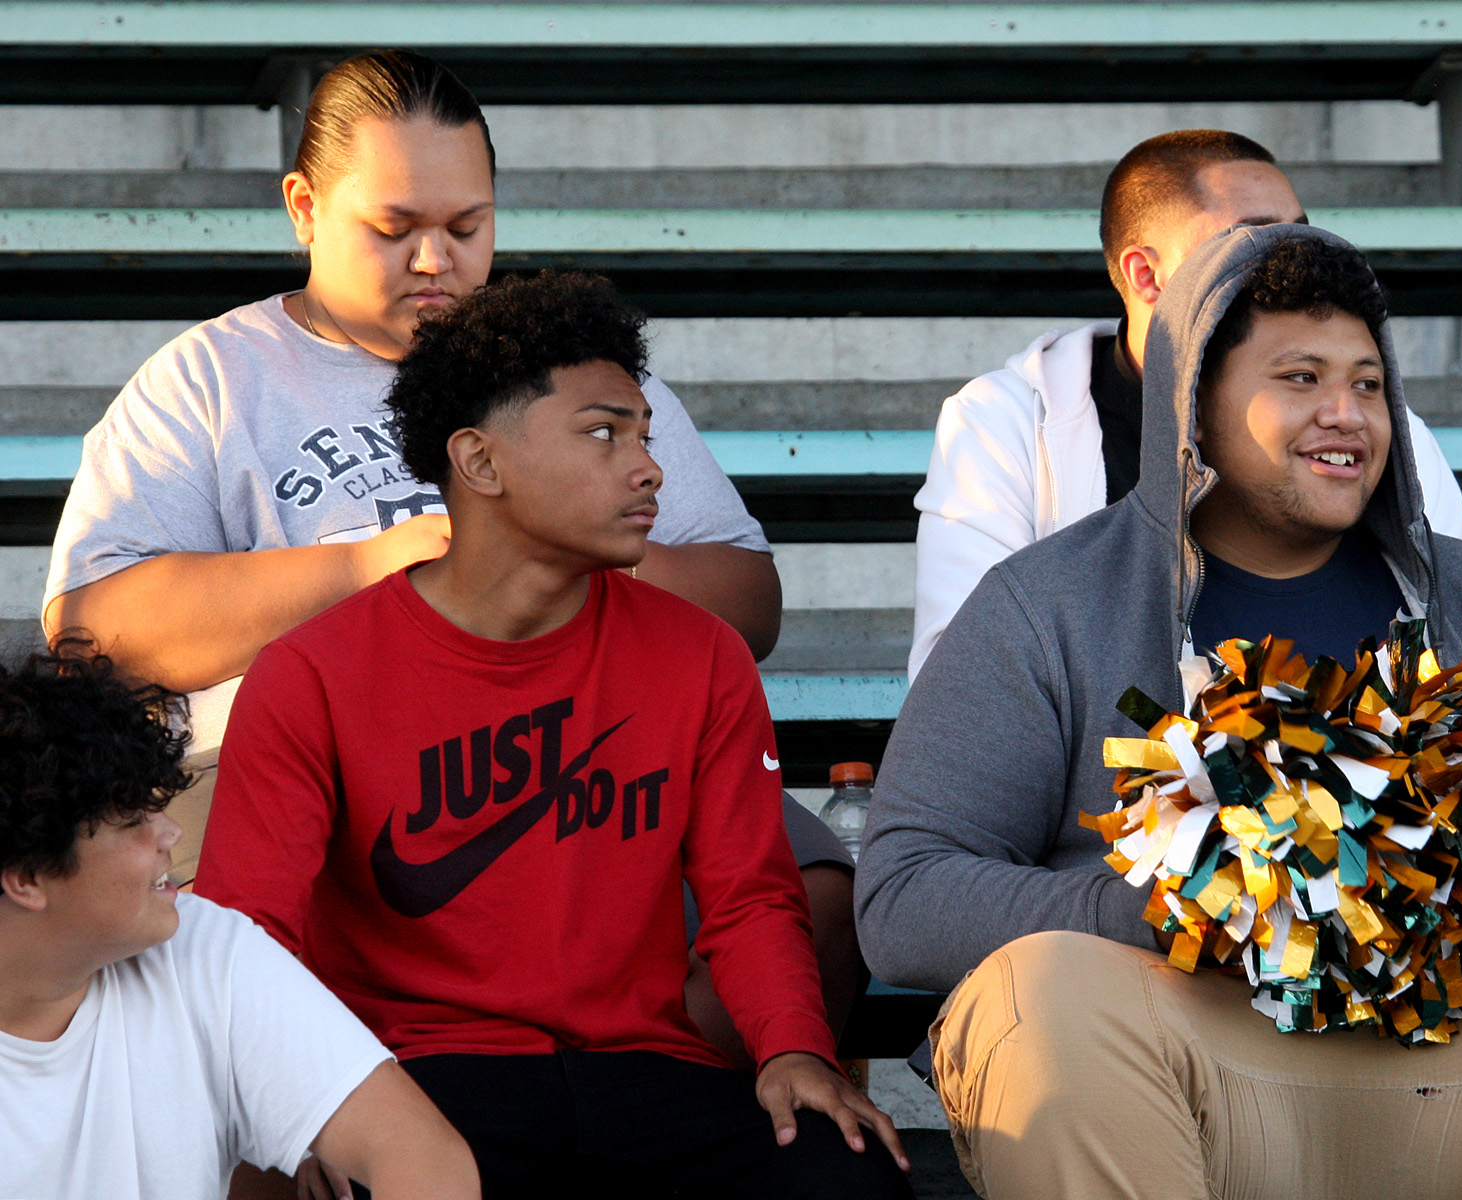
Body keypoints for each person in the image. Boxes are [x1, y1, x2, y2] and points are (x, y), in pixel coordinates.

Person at [39, 49, 858, 1075]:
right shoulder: (211, 378)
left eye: (467, 228)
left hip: (594, 748)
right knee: (220, 943)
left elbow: (746, 597)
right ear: (302, 207)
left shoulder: (562, 368)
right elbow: (96, 631)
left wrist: (536, 565)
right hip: (291, 770)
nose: (435, 259)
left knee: (817, 891)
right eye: (394, 229)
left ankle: (635, 1125)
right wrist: (375, 571)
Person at [856, 225, 1462, 1198]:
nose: (1346, 415)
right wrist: (1198, 901)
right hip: (1192, 1071)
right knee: (1038, 997)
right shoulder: (1050, 602)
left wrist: (1448, 886)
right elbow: (904, 897)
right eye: (1299, 378)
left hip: (1461, 1071)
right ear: (1194, 396)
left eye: (1368, 383)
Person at [193, 270, 911, 1199]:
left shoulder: (702, 656)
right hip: (420, 1081)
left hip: (644, 1071)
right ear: (480, 463)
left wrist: (794, 1049)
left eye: (645, 435)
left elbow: (748, 900)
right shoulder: (314, 673)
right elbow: (253, 937)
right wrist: (311, 1106)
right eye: (604, 433)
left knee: (846, 1176)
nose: (649, 467)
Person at [910, 128, 1462, 680]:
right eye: (1247, 240)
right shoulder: (1005, 419)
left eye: (1299, 238)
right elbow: (962, 679)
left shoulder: (1379, 430)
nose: (1290, 264)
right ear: (1146, 274)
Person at [0, 648, 479, 1200]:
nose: (170, 835)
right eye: (133, 820)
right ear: (28, 877)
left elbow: (423, 1156)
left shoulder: (200, 943)